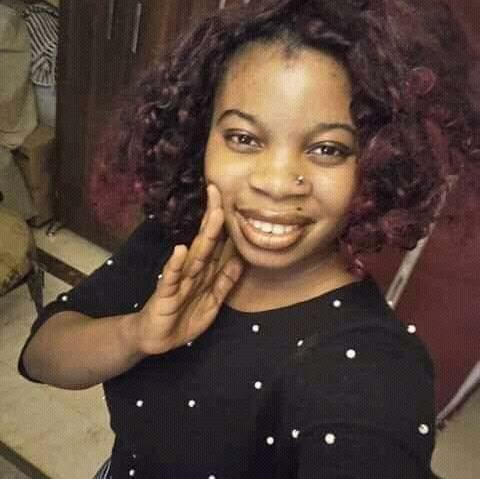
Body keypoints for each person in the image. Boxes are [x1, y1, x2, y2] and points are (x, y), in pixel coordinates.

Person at [18, 0, 479, 477]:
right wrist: (135, 334)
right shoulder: (180, 236)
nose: (276, 183)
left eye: (327, 149)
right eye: (243, 138)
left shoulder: (371, 369)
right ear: (203, 136)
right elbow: (39, 357)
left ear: (378, 161)